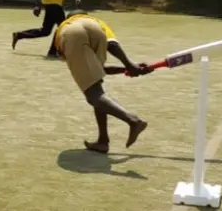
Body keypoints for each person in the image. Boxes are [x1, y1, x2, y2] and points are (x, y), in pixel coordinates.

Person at [54, 9, 152, 154]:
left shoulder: (65, 25)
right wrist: (129, 66)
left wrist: (130, 67)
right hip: (97, 31)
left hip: (71, 33)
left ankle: (133, 121)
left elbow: (81, 65)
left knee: (93, 94)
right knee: (97, 91)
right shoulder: (95, 21)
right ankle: (103, 141)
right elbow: (111, 46)